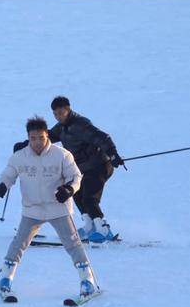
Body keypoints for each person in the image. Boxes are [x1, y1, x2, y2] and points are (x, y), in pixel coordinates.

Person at [0, 116, 98, 301]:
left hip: (58, 208)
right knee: (18, 244)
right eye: (33, 138)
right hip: (32, 209)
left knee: (73, 244)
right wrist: (2, 185)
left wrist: (69, 189)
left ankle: (87, 281)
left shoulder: (61, 154)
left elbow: (76, 177)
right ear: (28, 138)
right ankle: (5, 279)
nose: (37, 142)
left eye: (41, 137)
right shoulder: (20, 157)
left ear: (47, 135)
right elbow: (9, 173)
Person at [14, 96, 124, 243]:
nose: (58, 116)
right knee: (77, 194)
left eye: (61, 112)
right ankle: (89, 226)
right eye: (55, 114)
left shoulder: (81, 124)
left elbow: (101, 137)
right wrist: (25, 145)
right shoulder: (62, 127)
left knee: (89, 198)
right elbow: (47, 137)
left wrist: (113, 154)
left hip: (100, 165)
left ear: (68, 109)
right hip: (85, 168)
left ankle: (104, 230)